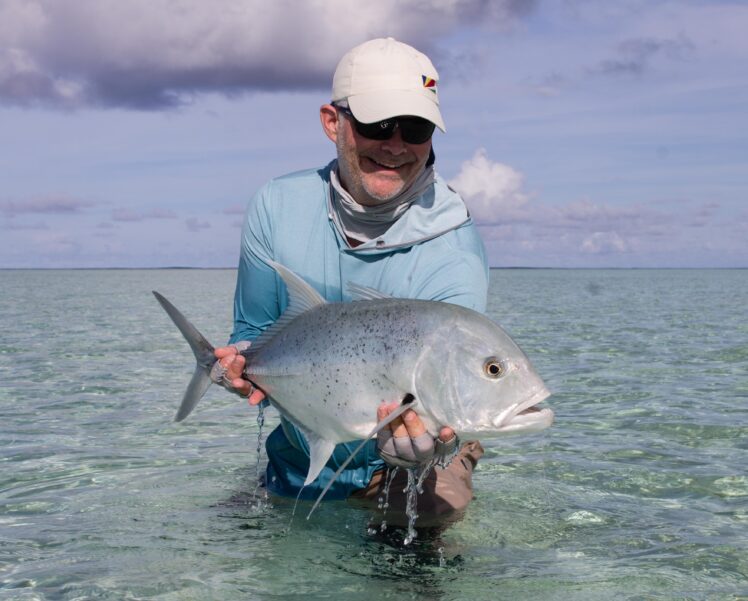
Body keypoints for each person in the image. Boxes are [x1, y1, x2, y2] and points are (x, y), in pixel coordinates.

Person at [212, 37, 488, 523]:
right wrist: (238, 368)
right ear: (332, 122)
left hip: (412, 469)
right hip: (301, 456)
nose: (397, 144)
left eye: (416, 127)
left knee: (417, 568)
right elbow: (252, 334)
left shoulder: (455, 251)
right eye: (378, 123)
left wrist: (426, 446)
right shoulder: (276, 208)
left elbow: (448, 395)